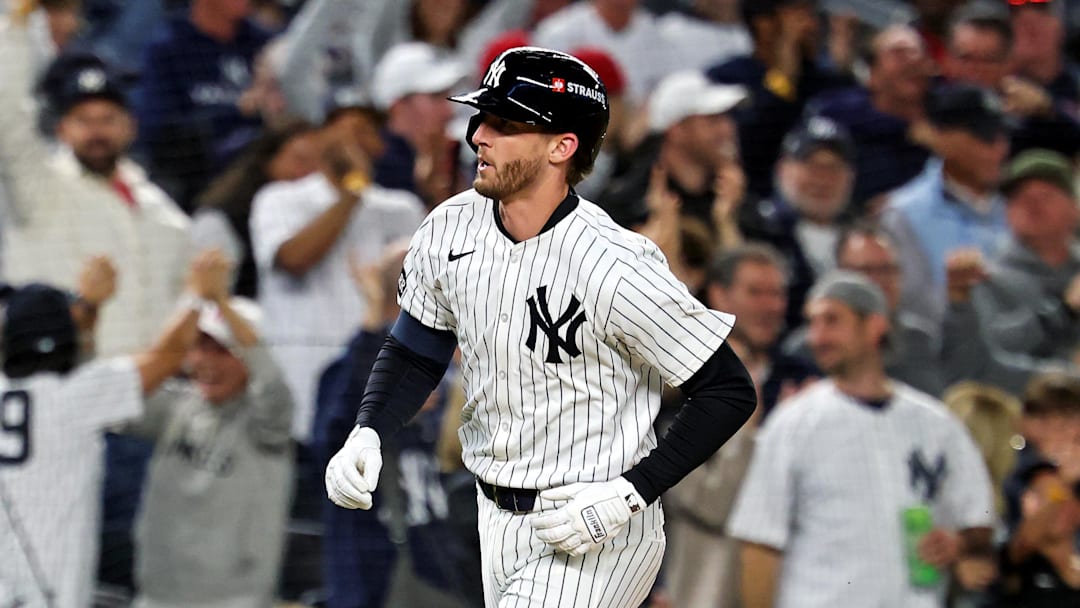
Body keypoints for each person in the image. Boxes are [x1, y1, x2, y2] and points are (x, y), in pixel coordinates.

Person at [325, 47, 756, 607]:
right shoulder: (448, 227)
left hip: (597, 525)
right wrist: (369, 429)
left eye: (503, 123)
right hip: (493, 517)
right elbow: (416, 350)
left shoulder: (615, 264)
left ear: (562, 146)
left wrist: (631, 493)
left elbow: (727, 389)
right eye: (482, 117)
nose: (478, 133)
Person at [727, 271, 996, 608]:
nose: (817, 336)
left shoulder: (936, 424)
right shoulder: (793, 423)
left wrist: (959, 543)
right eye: (813, 323)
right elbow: (759, 543)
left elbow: (980, 521)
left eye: (832, 321)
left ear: (875, 326)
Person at [0, 254, 234, 608]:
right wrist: (196, 295)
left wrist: (88, 308)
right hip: (49, 594)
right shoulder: (72, 399)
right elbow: (166, 358)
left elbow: (68, 352)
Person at [0, 8, 191, 358]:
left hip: (150, 392)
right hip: (61, 382)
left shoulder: (161, 212)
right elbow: (6, 113)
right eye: (83, 120)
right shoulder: (40, 189)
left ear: (130, 127)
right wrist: (15, 25)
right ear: (61, 129)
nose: (96, 132)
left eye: (107, 119)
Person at [123, 250, 295, 608]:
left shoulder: (269, 420)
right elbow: (124, 392)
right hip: (157, 597)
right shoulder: (175, 405)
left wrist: (219, 301)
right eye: (202, 348)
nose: (207, 362)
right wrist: (194, 299)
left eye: (223, 350)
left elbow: (273, 385)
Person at [136, 0, 273, 209]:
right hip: (198, 179)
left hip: (264, 174)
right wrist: (239, 111)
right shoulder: (168, 47)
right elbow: (158, 131)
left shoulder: (266, 45)